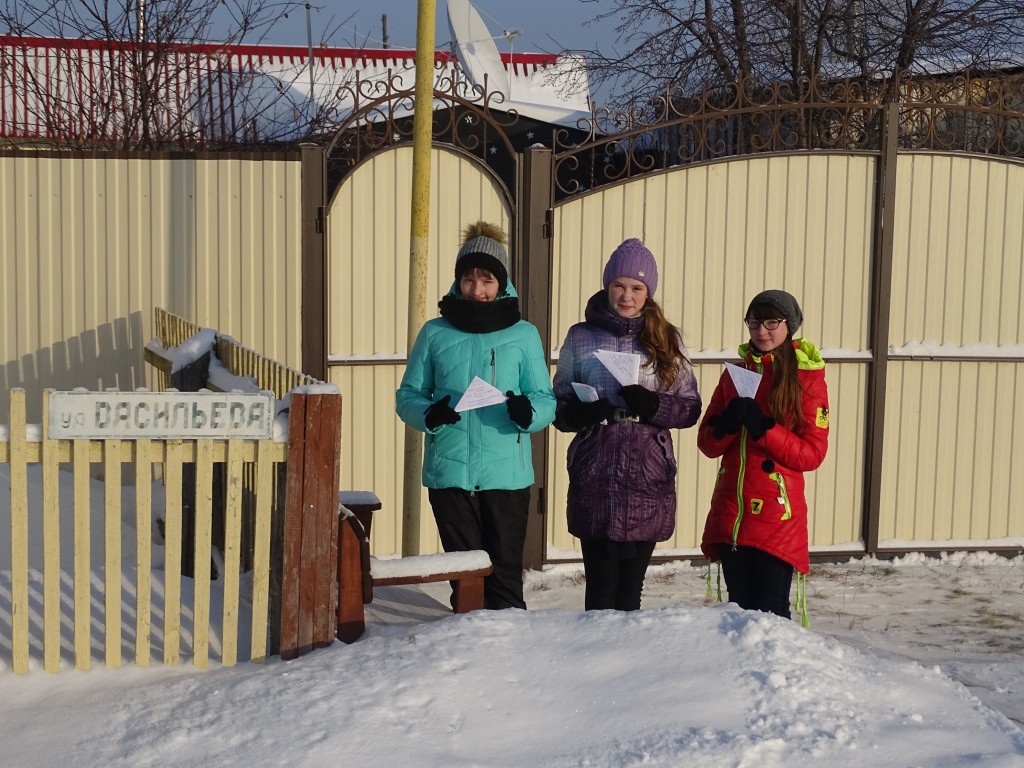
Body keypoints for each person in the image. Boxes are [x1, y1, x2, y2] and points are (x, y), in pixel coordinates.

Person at [396, 221, 555, 610]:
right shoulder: (435, 332)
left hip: (507, 476)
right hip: (450, 474)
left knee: (504, 578)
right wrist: (429, 414)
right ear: (458, 281)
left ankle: (510, 646)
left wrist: (527, 412)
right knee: (466, 583)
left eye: (487, 280)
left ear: (502, 282)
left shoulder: (523, 333)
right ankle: (467, 645)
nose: (477, 289)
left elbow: (545, 399)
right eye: (468, 279)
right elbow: (407, 395)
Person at [552, 238, 702, 611]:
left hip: (646, 472)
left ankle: (631, 650)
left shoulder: (667, 338)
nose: (627, 296)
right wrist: (581, 413)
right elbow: (558, 403)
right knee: (600, 591)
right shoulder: (581, 336)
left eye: (637, 288)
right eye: (619, 286)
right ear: (607, 286)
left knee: (630, 592)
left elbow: (690, 408)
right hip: (596, 469)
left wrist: (653, 404)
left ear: (648, 292)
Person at [697, 289, 829, 624]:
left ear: (790, 325)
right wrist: (728, 423)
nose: (761, 331)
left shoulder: (806, 377)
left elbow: (813, 454)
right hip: (733, 512)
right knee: (738, 614)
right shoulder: (736, 373)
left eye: (772, 322)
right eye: (754, 322)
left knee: (771, 617)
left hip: (777, 516)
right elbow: (707, 443)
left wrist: (764, 428)